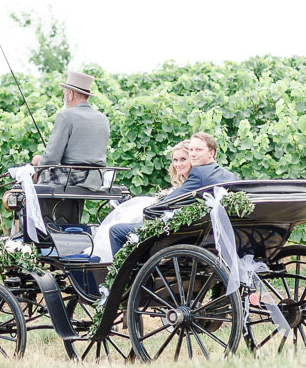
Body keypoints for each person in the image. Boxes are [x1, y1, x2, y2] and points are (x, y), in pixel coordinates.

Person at [108, 132, 236, 256]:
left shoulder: (200, 173)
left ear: (211, 153)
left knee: (115, 231)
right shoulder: (229, 176)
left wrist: (150, 210)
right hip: (209, 235)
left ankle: (128, 276)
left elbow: (171, 201)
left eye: (198, 150)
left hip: (183, 235)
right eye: (191, 150)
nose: (193, 154)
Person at [31, 70, 110, 225]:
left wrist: (38, 160)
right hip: (95, 178)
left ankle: (43, 228)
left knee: (28, 185)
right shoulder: (103, 119)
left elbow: (51, 158)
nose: (64, 96)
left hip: (71, 177)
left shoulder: (66, 116)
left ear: (71, 94)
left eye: (64, 92)